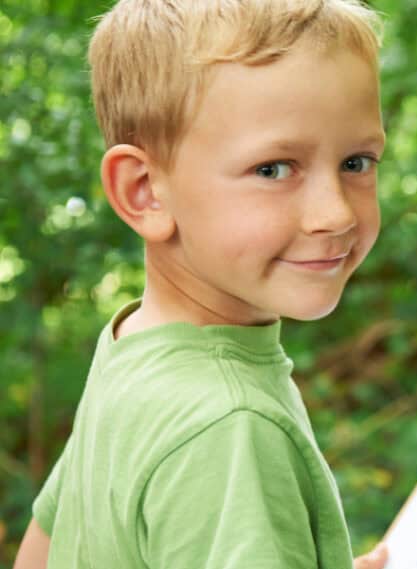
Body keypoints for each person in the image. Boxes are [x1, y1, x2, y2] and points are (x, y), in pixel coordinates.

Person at [13, 1, 391, 567]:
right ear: (144, 191)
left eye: (357, 162)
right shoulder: (230, 425)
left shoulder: (134, 348)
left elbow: (43, 550)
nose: (335, 214)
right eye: (273, 169)